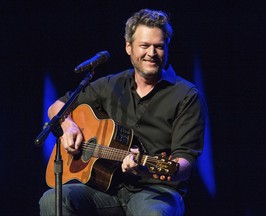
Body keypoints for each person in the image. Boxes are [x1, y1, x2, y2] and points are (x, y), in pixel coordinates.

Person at [39, 8, 206, 216]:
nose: (151, 54)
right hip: (105, 188)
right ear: (129, 47)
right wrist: (68, 125)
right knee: (53, 200)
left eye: (159, 47)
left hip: (156, 191)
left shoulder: (186, 95)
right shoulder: (111, 84)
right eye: (144, 46)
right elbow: (57, 106)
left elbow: (184, 164)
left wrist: (145, 167)